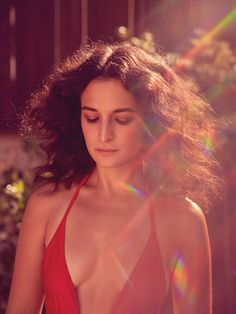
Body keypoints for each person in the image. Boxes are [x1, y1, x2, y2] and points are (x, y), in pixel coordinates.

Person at [6, 42, 219, 314]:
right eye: (92, 118)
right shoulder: (47, 206)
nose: (104, 135)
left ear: (152, 122)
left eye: (122, 120)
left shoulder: (182, 219)